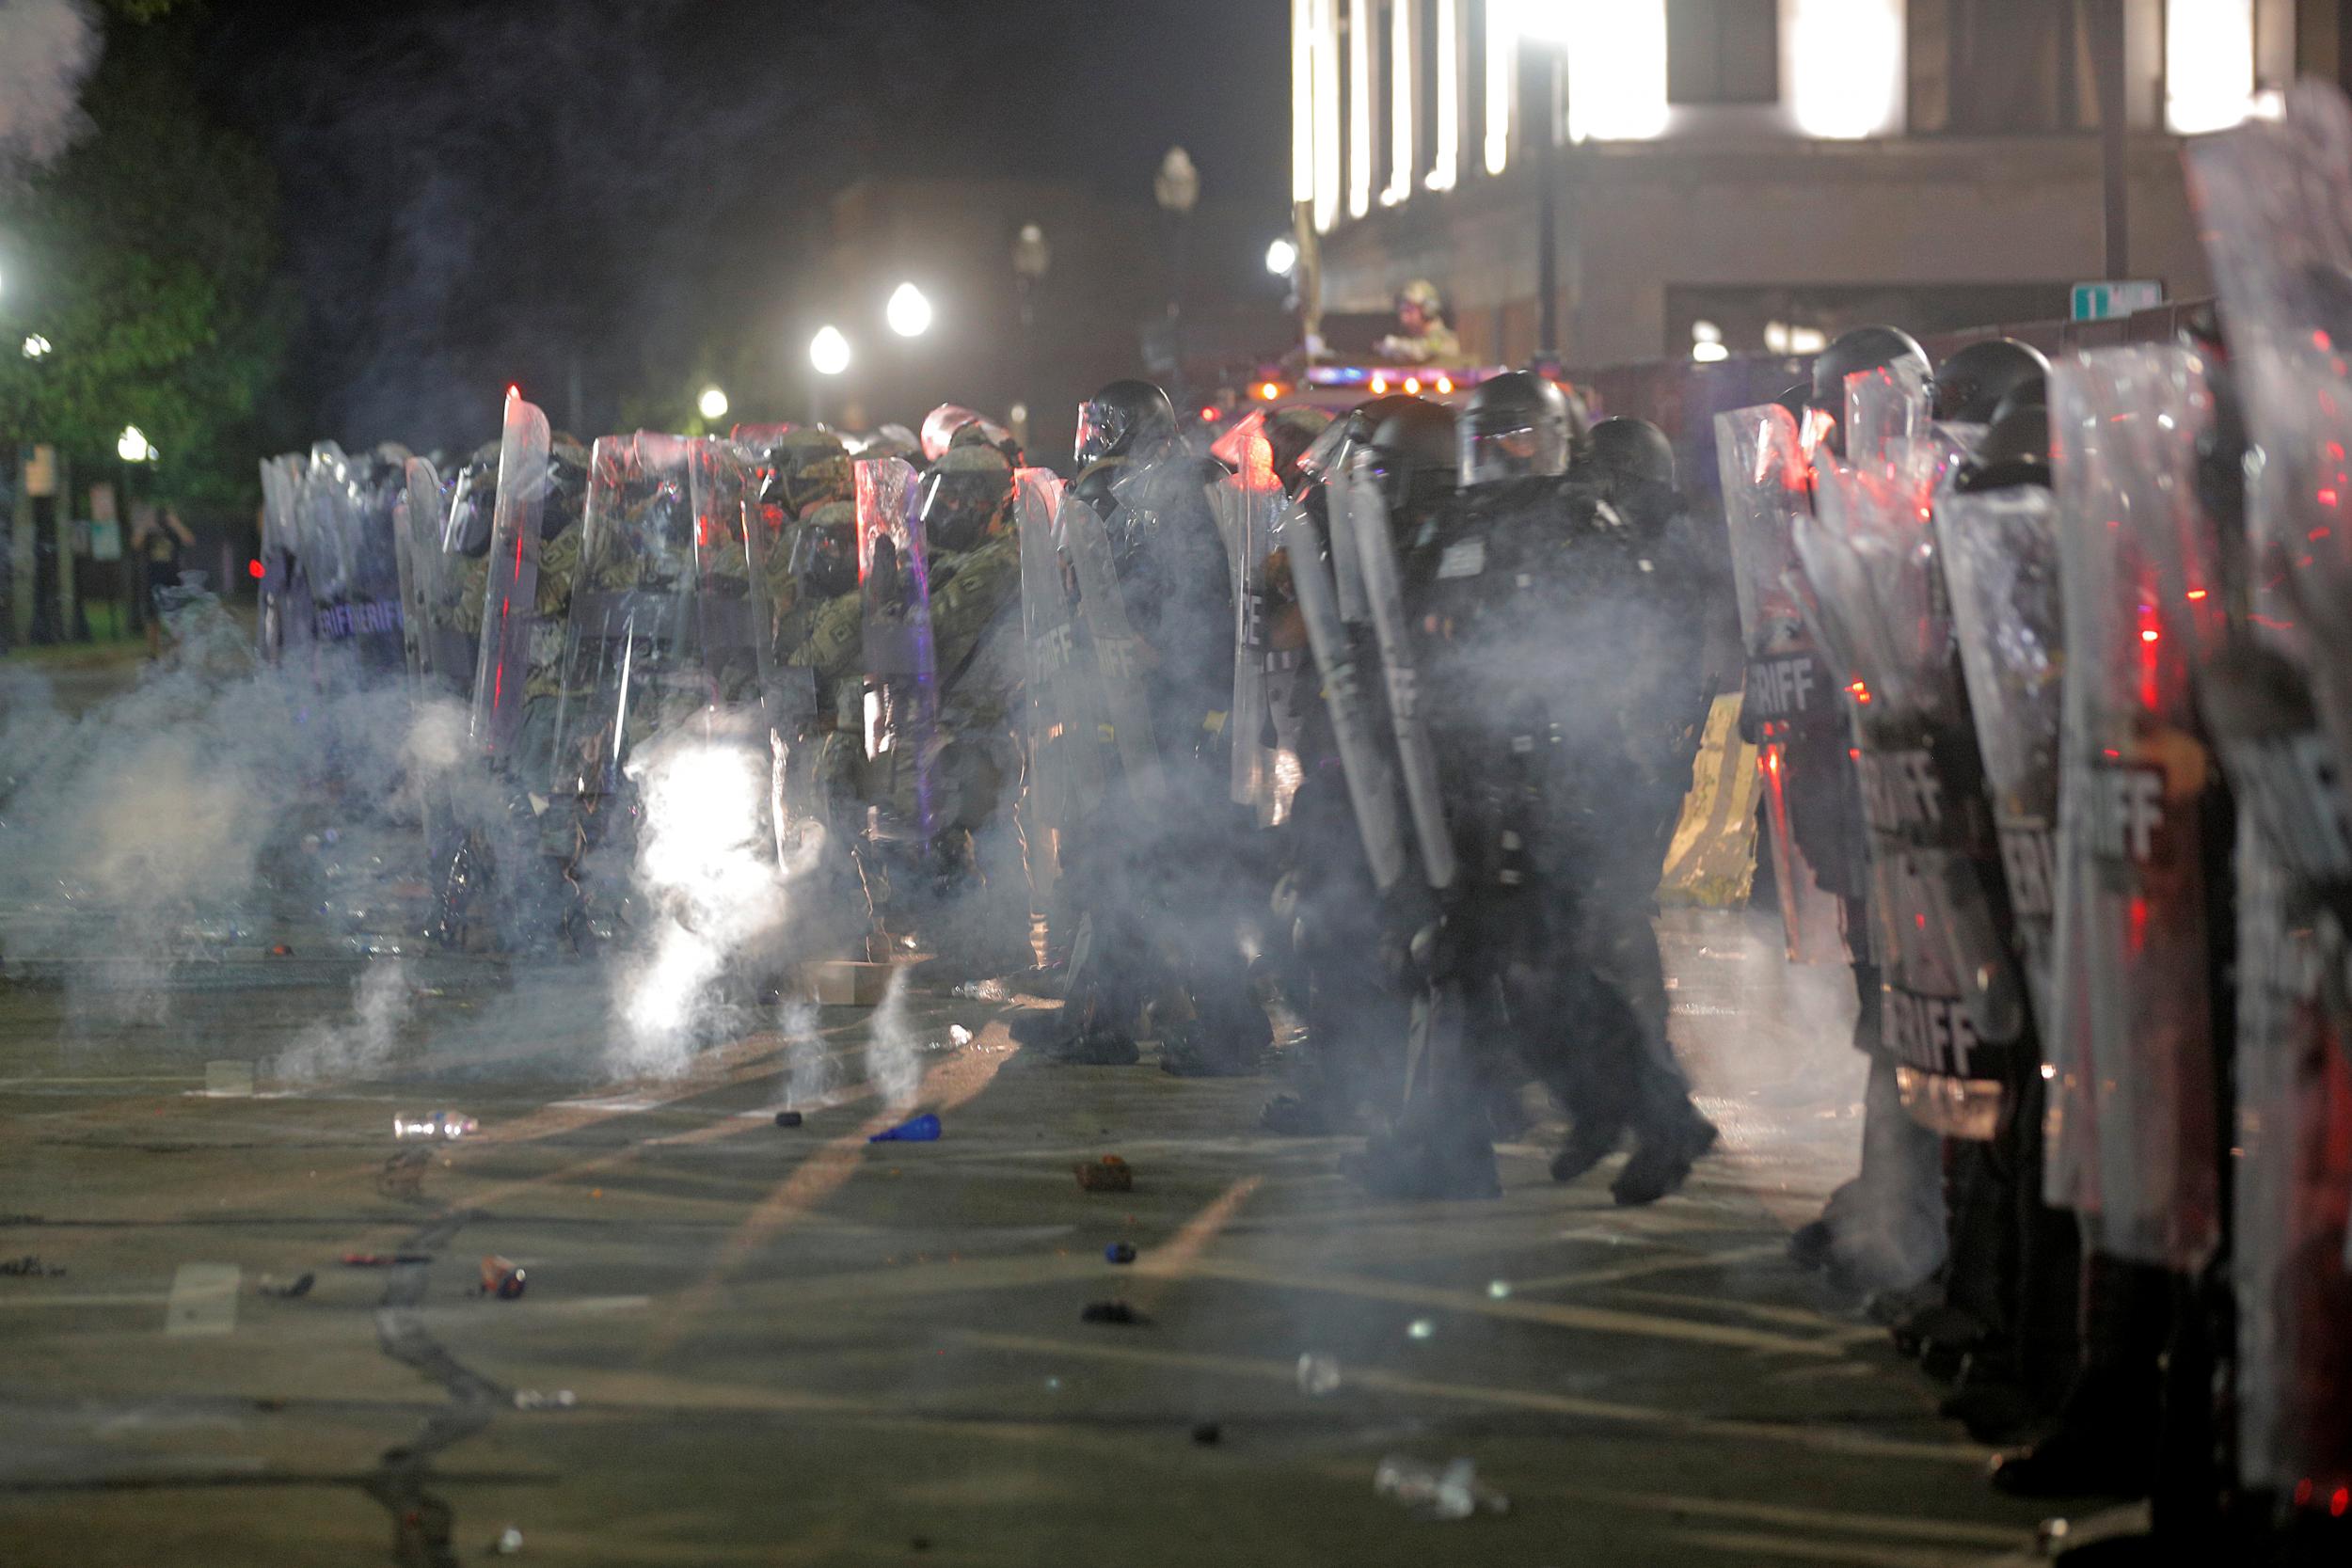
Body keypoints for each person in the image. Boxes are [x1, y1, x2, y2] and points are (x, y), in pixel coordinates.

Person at [133, 503, 196, 659]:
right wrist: (145, 524)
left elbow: (189, 540)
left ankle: (178, 652)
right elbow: (135, 544)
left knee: (176, 617)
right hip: (152, 578)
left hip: (172, 578)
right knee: (152, 618)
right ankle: (153, 652)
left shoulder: (174, 532)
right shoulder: (148, 533)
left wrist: (175, 523)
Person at [1375, 279, 1461, 364]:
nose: (1403, 317)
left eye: (1409, 310)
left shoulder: (1446, 340)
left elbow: (1426, 349)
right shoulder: (1411, 338)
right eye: (1401, 311)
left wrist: (1396, 345)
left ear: (1428, 310)